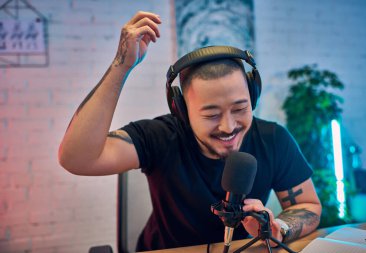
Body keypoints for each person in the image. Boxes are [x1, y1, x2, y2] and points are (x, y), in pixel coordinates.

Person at [58, 11, 322, 252]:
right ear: (182, 111)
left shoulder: (273, 139)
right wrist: (121, 66)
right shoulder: (159, 136)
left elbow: (308, 206)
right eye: (211, 115)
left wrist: (279, 228)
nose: (228, 127)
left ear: (252, 97)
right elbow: (77, 158)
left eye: (240, 108)